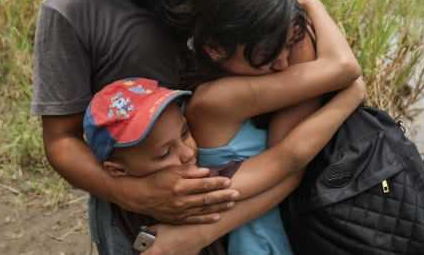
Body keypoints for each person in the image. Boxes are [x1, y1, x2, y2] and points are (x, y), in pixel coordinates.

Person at [34, 0, 359, 254]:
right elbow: (61, 140)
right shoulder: (68, 11)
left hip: (249, 182)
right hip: (147, 210)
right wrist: (135, 194)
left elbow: (285, 43)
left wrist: (312, 7)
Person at [85, 74, 363, 255]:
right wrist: (351, 95)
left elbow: (287, 168)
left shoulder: (124, 203)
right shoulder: (196, 188)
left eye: (184, 133)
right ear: (117, 171)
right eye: (163, 154)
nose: (186, 153)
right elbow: (287, 161)